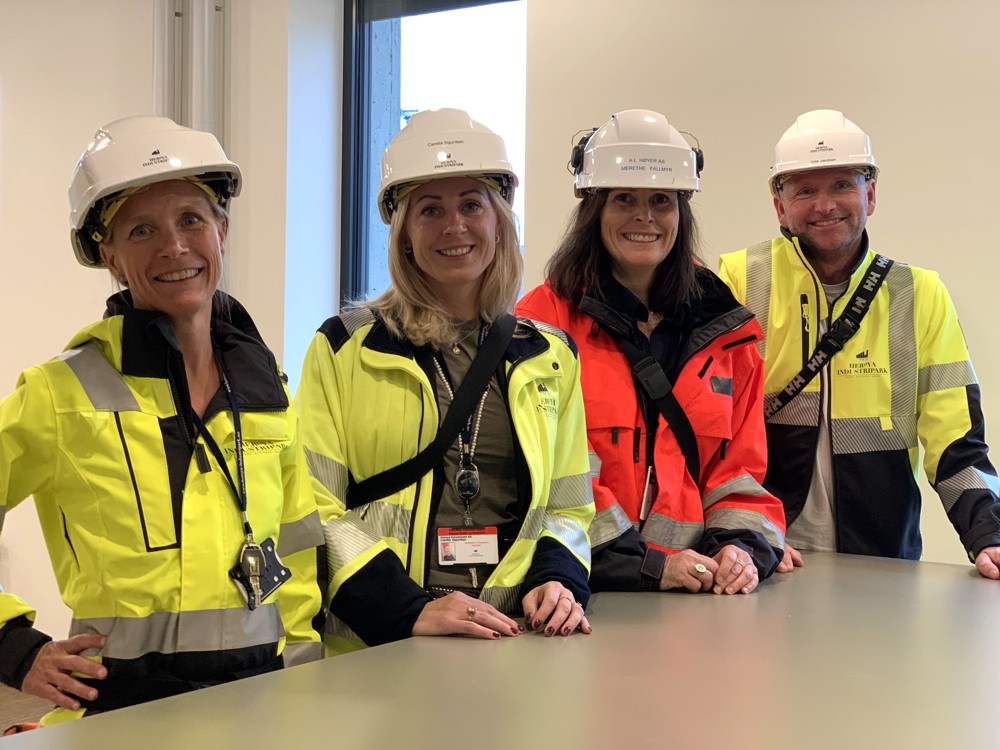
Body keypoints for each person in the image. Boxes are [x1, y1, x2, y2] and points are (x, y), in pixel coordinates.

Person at [0, 116, 325, 722]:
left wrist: (302, 688)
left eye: (191, 220)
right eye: (142, 229)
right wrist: (15, 649)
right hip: (117, 715)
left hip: (256, 712)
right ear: (111, 257)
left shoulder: (265, 390)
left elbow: (300, 554)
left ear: (221, 232)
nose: (173, 246)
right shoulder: (59, 392)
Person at [296, 108, 594, 654]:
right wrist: (409, 610)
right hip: (382, 645)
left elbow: (568, 505)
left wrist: (559, 582)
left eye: (471, 205)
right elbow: (312, 503)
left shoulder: (551, 355)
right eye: (430, 210)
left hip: (515, 641)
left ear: (498, 219)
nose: (454, 226)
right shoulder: (345, 347)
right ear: (404, 233)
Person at [718, 109, 1000, 576]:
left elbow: (956, 437)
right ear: (780, 206)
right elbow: (709, 433)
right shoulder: (735, 280)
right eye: (805, 190)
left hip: (881, 561)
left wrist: (988, 533)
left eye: (842, 185)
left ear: (870, 193)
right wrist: (740, 531)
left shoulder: (919, 293)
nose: (824, 205)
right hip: (765, 558)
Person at [516, 109, 785, 595]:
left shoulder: (726, 332)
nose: (645, 217)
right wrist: (648, 564)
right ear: (593, 209)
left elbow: (738, 474)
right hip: (581, 593)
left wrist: (740, 548)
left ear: (682, 211)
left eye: (661, 200)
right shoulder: (541, 324)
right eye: (624, 199)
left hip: (698, 604)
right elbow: (547, 474)